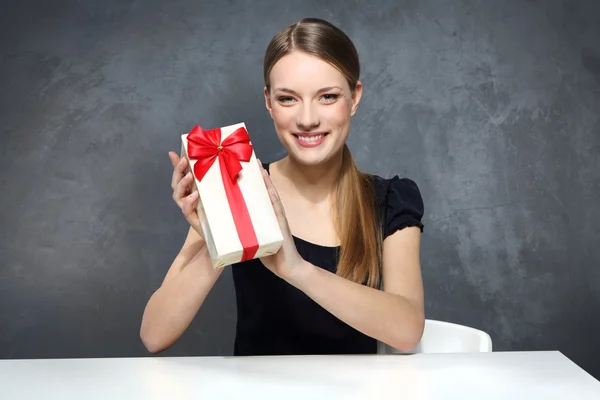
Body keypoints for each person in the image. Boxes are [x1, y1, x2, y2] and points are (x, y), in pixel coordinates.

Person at [140, 17, 425, 356]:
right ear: (268, 103)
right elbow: (154, 335)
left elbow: (407, 331)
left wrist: (298, 270)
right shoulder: (237, 183)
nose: (307, 118)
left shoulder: (390, 199)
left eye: (328, 97)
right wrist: (220, 237)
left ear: (354, 97)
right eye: (288, 98)